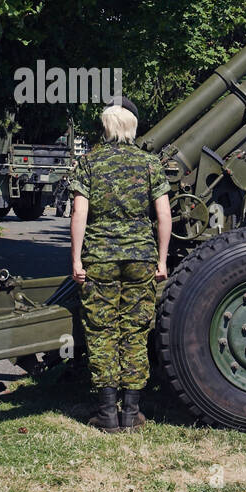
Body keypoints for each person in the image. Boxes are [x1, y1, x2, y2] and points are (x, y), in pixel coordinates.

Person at [69, 97, 172, 432]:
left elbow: (79, 214)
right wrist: (162, 258)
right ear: (132, 125)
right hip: (141, 257)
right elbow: (163, 216)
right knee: (135, 330)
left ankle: (106, 413)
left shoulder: (89, 163)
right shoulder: (149, 164)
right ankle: (131, 413)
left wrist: (76, 258)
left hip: (99, 257)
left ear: (106, 125)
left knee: (101, 331)